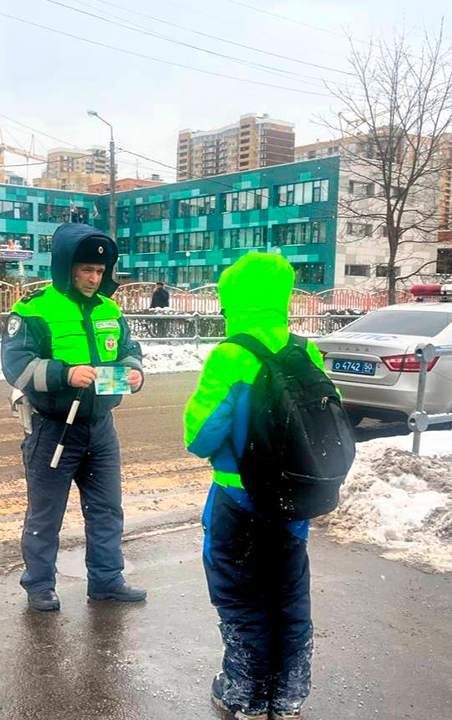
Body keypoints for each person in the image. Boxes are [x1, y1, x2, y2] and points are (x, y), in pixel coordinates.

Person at [184, 254, 326, 720]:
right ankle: (288, 694)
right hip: (295, 499)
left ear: (235, 300)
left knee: (240, 591)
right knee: (287, 590)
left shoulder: (230, 356)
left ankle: (244, 692)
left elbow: (200, 436)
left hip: (238, 496)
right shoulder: (306, 351)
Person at [1, 222, 147, 612]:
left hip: (99, 429)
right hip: (53, 429)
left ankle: (106, 581)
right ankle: (39, 585)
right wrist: (64, 373)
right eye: (86, 270)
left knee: (107, 510)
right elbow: (16, 366)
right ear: (66, 267)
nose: (94, 278)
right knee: (45, 513)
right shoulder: (33, 311)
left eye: (100, 272)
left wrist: (134, 372)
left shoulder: (110, 309)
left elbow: (130, 351)